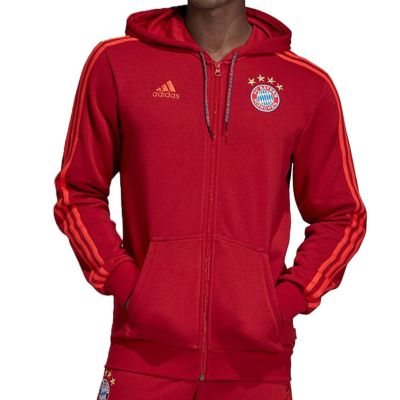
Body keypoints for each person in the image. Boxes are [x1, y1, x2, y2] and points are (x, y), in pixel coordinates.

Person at [53, 1, 367, 399]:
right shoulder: (117, 63)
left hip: (255, 371)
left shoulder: (306, 85)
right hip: (142, 360)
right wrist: (126, 282)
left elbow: (342, 216)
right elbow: (77, 191)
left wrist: (285, 301)